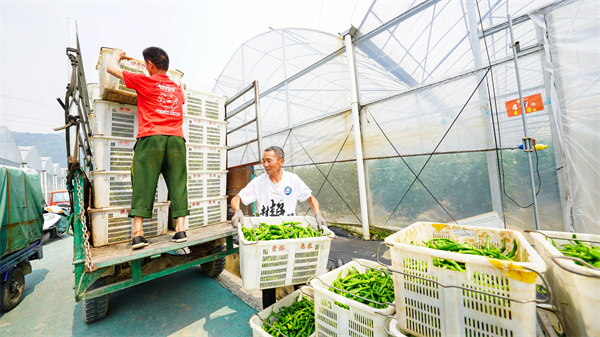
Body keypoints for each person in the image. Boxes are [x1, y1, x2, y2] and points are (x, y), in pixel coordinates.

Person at [106, 47, 189, 250]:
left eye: (145, 65)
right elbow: (182, 96)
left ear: (150, 65)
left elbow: (110, 68)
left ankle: (138, 234)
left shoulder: (144, 81)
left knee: (143, 182)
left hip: (152, 138)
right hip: (177, 140)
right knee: (178, 184)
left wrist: (117, 54)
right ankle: (180, 231)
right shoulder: (177, 88)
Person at [230, 146, 327, 308]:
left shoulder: (292, 180)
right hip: (268, 239)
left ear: (281, 162)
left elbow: (310, 198)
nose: (265, 164)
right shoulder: (259, 182)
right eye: (263, 161)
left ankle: (301, 308)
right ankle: (267, 315)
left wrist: (318, 215)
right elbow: (236, 198)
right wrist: (237, 211)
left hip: (290, 235)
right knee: (269, 278)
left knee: (298, 275)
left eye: (269, 160)